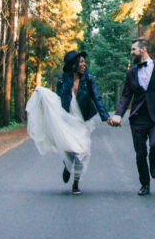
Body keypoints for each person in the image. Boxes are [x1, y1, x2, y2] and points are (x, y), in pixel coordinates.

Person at [25, 50, 110, 195]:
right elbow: (57, 100)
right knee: (70, 149)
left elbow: (97, 97)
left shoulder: (88, 78)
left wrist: (106, 117)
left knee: (81, 152)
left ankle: (76, 184)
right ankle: (67, 164)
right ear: (73, 64)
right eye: (81, 61)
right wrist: (43, 95)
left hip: (82, 121)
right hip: (67, 120)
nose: (84, 64)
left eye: (84, 61)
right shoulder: (63, 81)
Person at [108, 38, 155, 196]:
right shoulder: (131, 72)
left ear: (143, 50)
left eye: (133, 50)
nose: (131, 53)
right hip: (137, 117)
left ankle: (153, 159)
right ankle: (145, 184)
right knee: (140, 153)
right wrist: (118, 115)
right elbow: (126, 96)